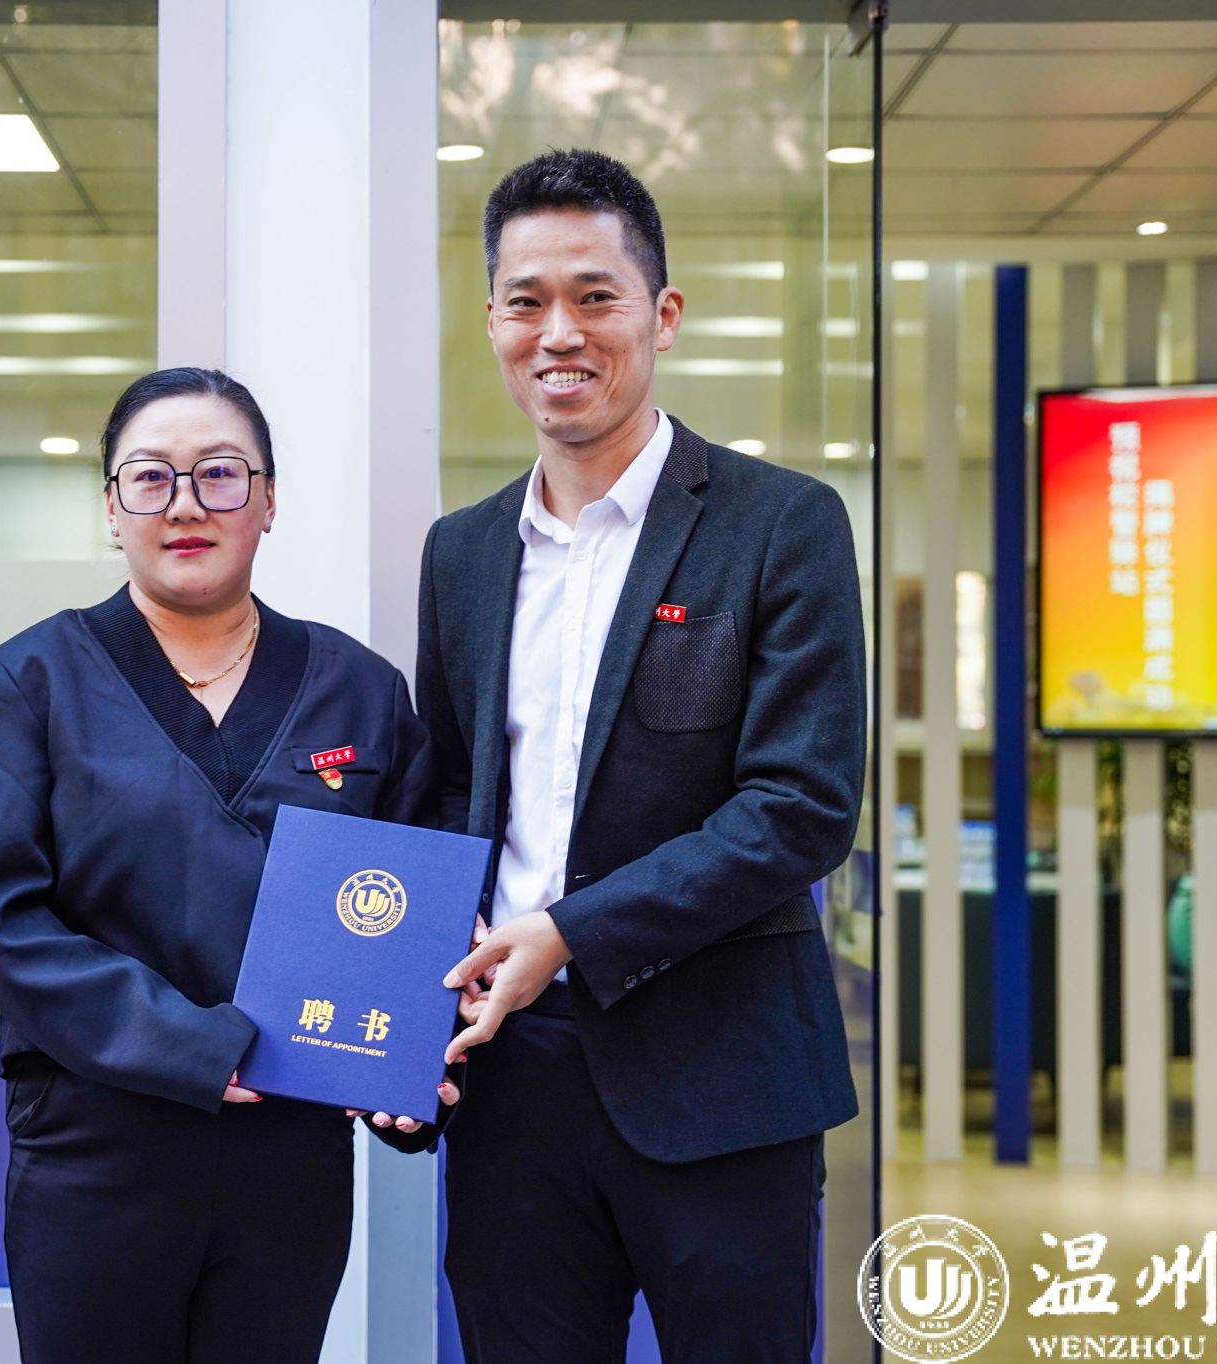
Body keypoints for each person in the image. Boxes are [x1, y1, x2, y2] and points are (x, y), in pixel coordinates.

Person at [415, 150, 866, 1362]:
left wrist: (569, 930)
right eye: (525, 300)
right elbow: (449, 792)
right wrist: (407, 995)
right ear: (492, 322)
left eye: (593, 296)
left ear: (660, 314)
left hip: (722, 1076)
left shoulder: (781, 524)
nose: (557, 332)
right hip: (512, 1076)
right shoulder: (461, 553)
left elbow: (799, 805)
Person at [0, 367, 444, 1364]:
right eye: (149, 477)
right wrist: (197, 1047)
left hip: (289, 1154)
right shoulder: (26, 682)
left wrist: (407, 1067)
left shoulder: (360, 689)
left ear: (268, 500)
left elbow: (411, 911)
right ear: (110, 507)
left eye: (219, 473)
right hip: (95, 1145)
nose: (184, 504)